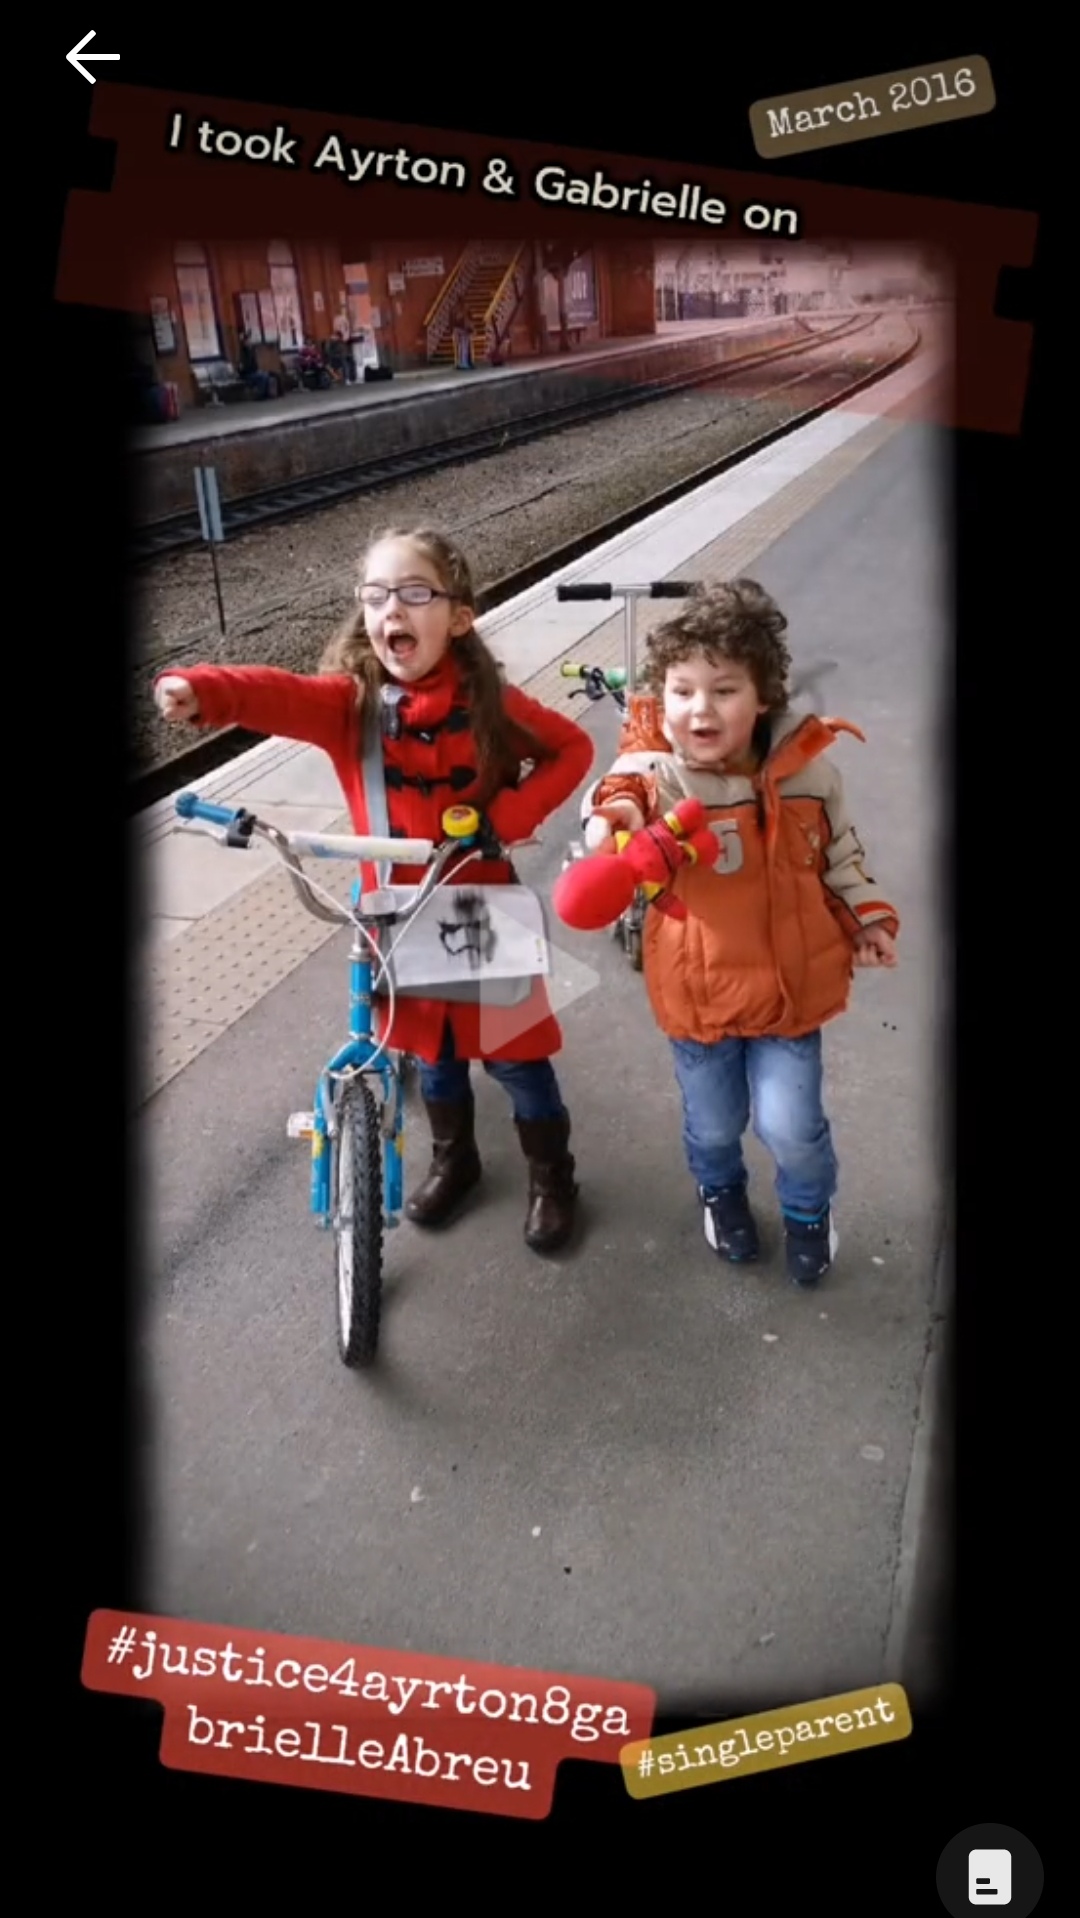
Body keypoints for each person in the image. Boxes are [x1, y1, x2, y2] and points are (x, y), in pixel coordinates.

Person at [153, 525, 595, 1254]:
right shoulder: (349, 707)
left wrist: (508, 815)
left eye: (415, 592)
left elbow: (570, 749)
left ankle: (553, 1178)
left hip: (481, 905)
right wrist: (202, 689)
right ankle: (456, 1159)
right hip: (393, 917)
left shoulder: (491, 704)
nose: (394, 607)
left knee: (516, 1056)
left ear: (457, 616)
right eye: (377, 594)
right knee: (433, 1052)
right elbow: (276, 694)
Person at [551, 579, 898, 1287]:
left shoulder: (809, 775)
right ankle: (722, 1191)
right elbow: (621, 793)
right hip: (698, 997)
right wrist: (607, 825)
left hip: (788, 992)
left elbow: (839, 854)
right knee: (713, 1126)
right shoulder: (659, 777)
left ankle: (807, 1209)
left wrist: (867, 915)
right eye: (681, 691)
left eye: (723, 689)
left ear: (764, 696)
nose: (699, 709)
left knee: (792, 1127)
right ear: (662, 699)